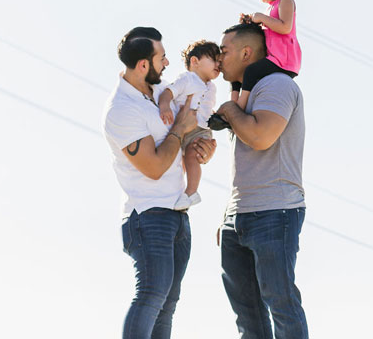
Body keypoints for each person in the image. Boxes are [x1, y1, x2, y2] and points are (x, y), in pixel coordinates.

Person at [102, 26, 217, 339]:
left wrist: (199, 147)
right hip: (148, 216)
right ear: (143, 65)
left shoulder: (158, 93)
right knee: (152, 295)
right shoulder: (121, 111)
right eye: (162, 58)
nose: (167, 63)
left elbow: (186, 132)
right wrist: (181, 128)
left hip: (177, 213)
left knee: (167, 303)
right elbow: (153, 167)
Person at [214, 22, 308, 339]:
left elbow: (260, 137)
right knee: (248, 317)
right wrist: (229, 213)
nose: (218, 57)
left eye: (223, 51)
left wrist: (228, 110)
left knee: (281, 306)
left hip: (274, 212)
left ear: (246, 52)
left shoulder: (277, 85)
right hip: (239, 216)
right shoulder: (244, 97)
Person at [157, 39, 222, 210]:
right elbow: (168, 93)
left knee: (192, 156)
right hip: (183, 128)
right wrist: (164, 106)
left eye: (219, 61)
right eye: (213, 59)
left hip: (202, 130)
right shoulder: (186, 79)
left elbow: (207, 107)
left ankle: (191, 191)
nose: (218, 64)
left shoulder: (212, 87)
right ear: (195, 61)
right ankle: (179, 194)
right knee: (180, 163)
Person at [232, 0, 302, 110]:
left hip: (284, 59)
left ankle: (239, 107)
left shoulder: (286, 1)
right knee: (241, 68)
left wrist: (261, 18)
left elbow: (285, 27)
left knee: (251, 71)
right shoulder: (270, 8)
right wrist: (251, 22)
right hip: (274, 58)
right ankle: (234, 101)